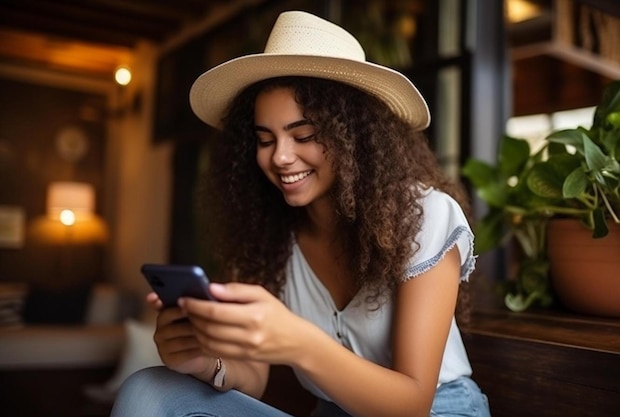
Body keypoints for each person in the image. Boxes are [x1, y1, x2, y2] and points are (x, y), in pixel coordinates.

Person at [110, 10, 490, 417]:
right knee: (149, 389)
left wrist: (297, 341)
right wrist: (207, 363)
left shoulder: (423, 215)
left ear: (355, 135)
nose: (281, 157)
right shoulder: (266, 235)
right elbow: (253, 377)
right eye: (264, 139)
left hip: (438, 412)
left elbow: (410, 405)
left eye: (304, 135)